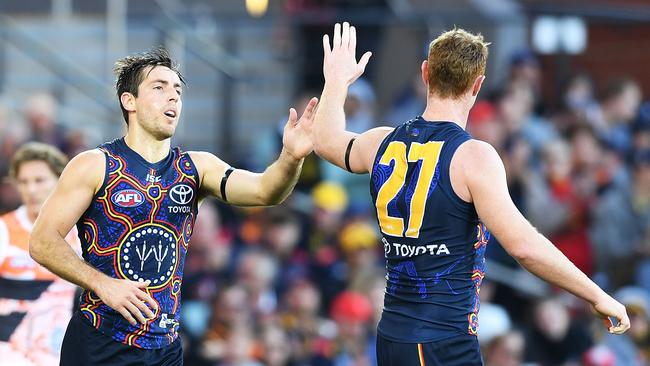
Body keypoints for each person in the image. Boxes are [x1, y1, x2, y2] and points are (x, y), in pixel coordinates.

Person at [311, 22, 630, 365]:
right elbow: (524, 247)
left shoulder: (382, 142)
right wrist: (596, 296)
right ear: (477, 85)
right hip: (441, 341)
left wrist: (336, 82)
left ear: (425, 74)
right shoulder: (473, 157)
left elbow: (326, 141)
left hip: (392, 335)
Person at [29, 48, 318, 365]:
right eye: (159, 87)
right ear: (130, 101)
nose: (173, 97)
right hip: (100, 341)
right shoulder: (95, 165)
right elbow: (42, 241)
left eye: (177, 90)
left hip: (165, 348)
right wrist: (103, 285)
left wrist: (292, 157)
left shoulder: (198, 167)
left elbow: (266, 192)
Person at [0, 142, 80, 365]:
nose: (31, 190)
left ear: (59, 181)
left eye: (39, 180)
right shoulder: (5, 229)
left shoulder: (78, 232)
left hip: (59, 353)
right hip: (10, 353)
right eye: (24, 182)